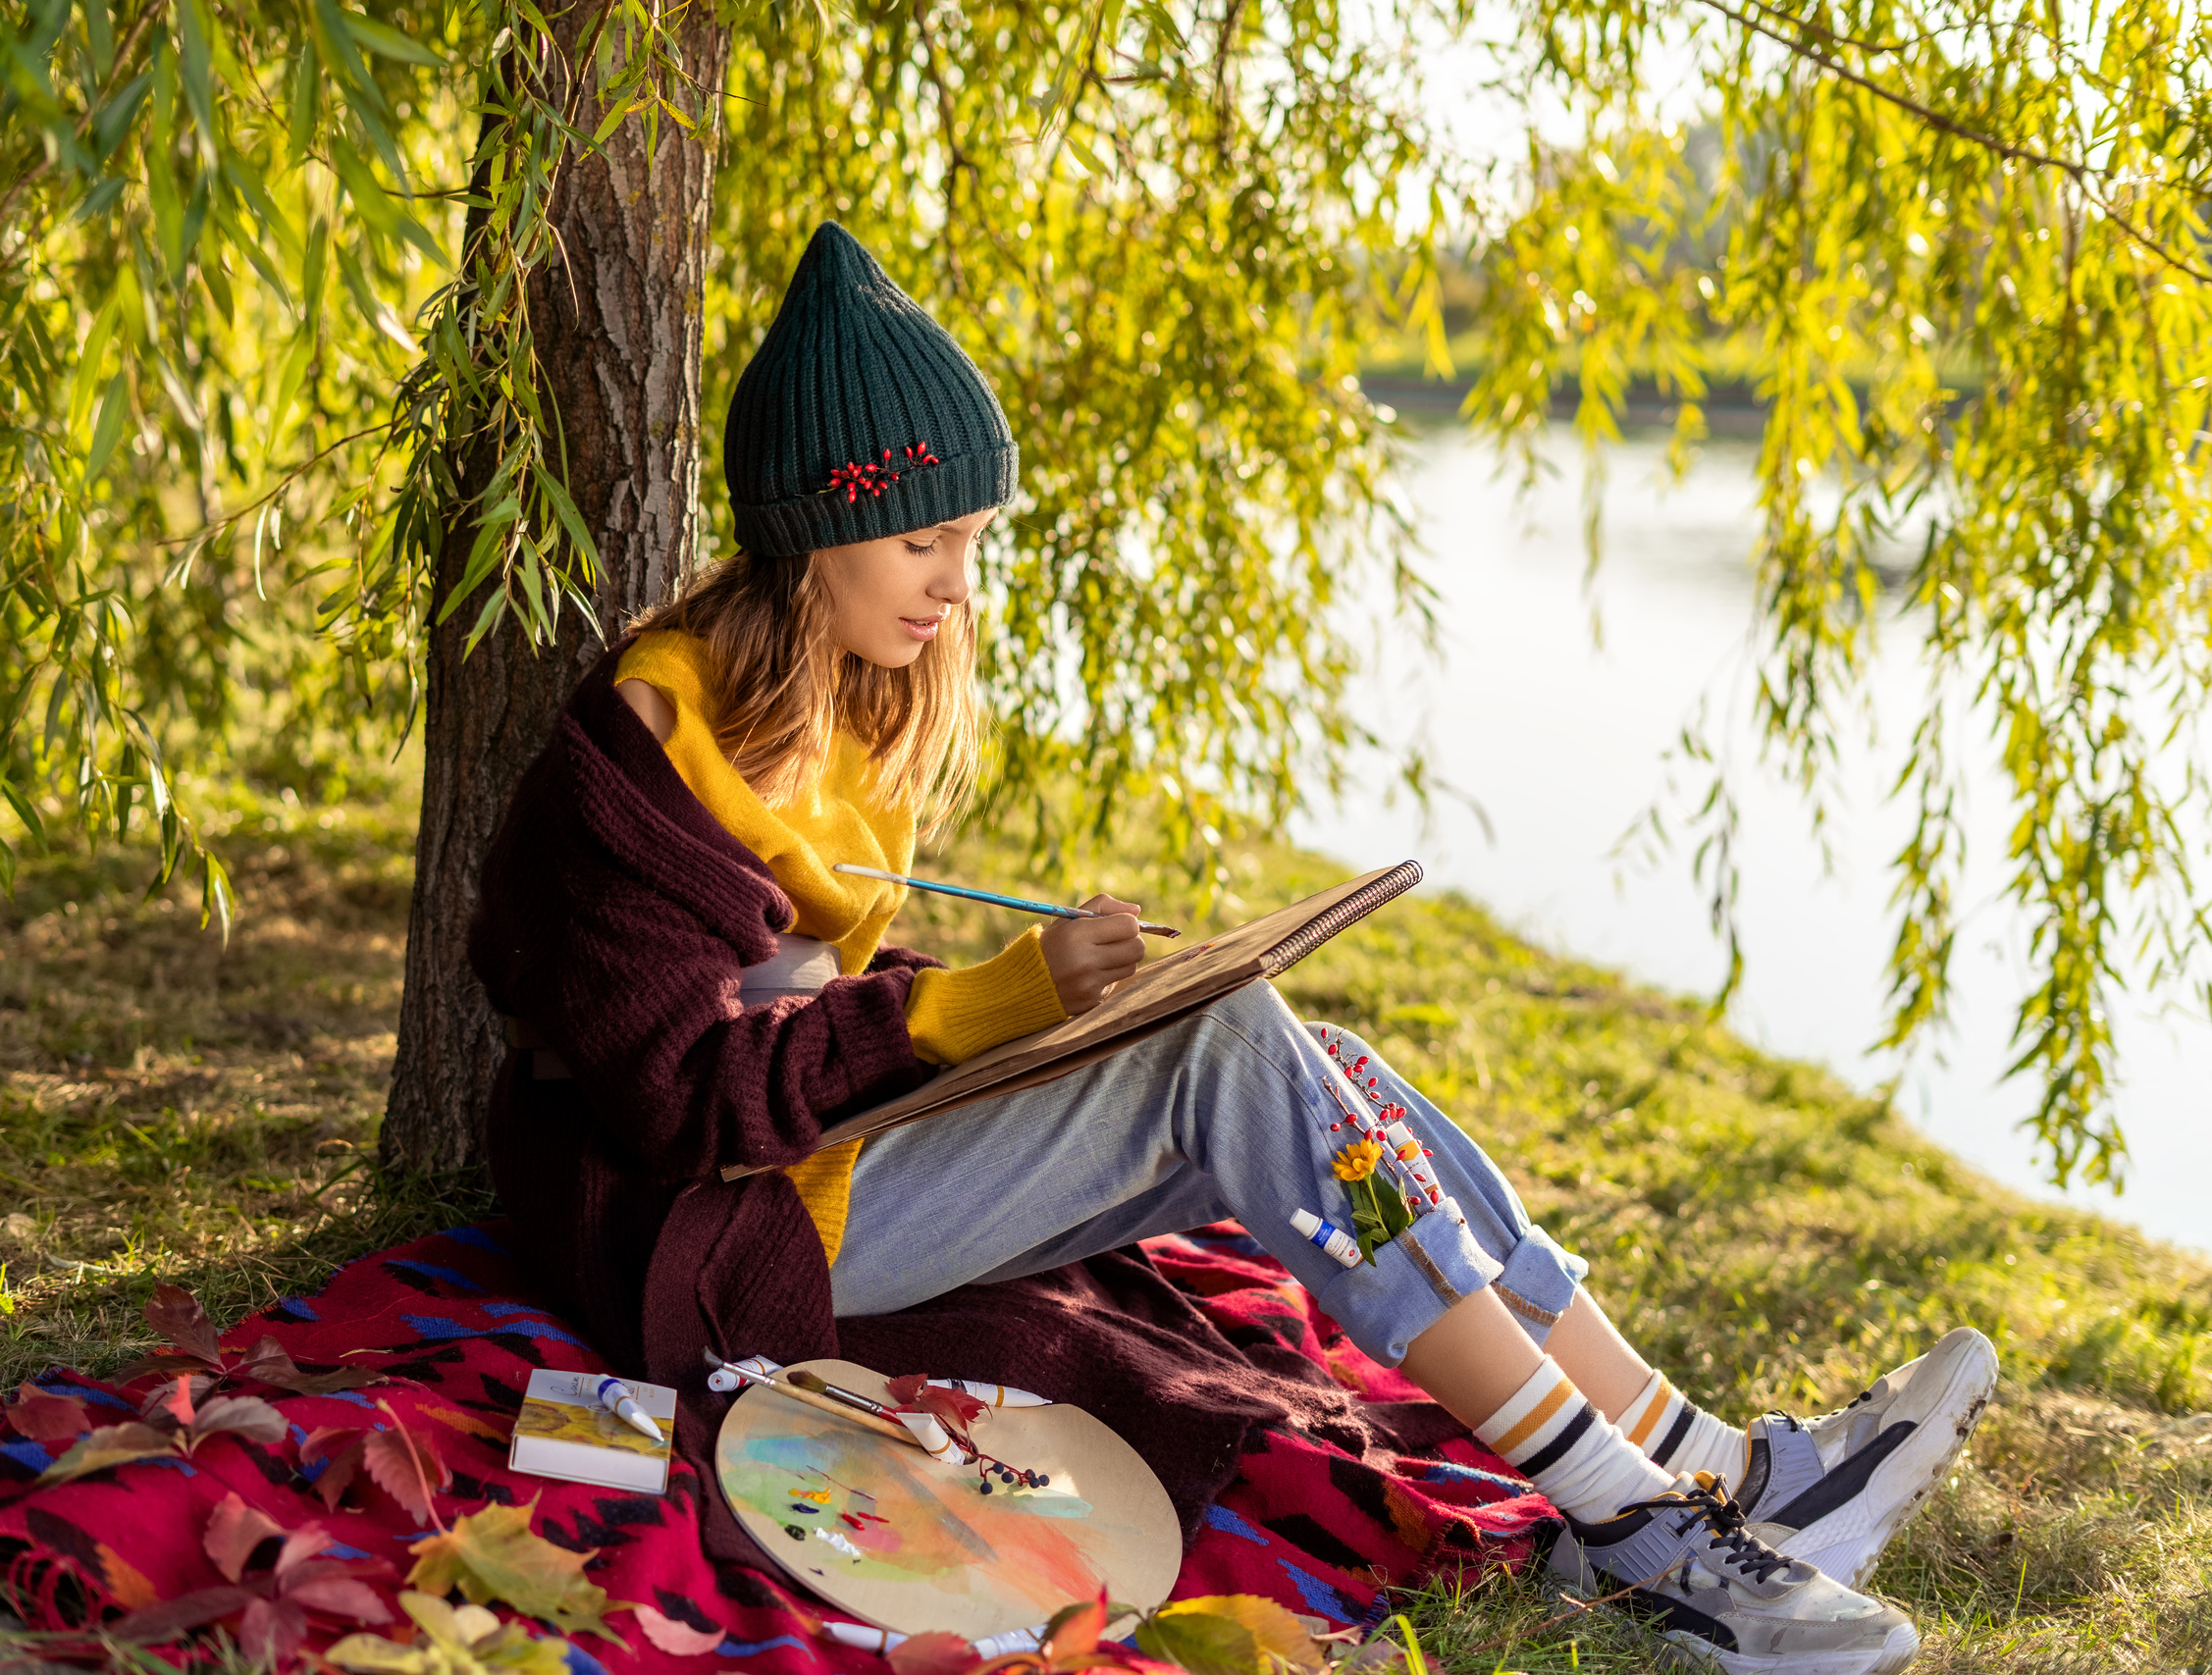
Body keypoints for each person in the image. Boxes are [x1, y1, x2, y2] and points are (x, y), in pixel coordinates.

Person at [469, 222, 1994, 1675]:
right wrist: (985, 1005)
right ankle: (1641, 1528)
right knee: (1226, 1055)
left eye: (974, 542)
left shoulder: (846, 701)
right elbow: (677, 1097)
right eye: (923, 541)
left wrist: (1019, 1030)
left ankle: (1707, 1461)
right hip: (698, 1234)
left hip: (831, 1161)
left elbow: (809, 1006)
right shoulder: (652, 735)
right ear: (817, 535)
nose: (954, 586)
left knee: (1327, 1070)